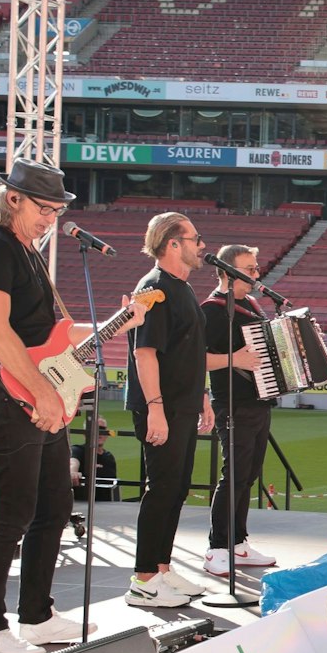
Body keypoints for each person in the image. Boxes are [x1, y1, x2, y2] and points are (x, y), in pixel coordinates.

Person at [0, 159, 140, 653]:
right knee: (12, 510)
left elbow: (51, 338)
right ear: (12, 198)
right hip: (10, 393)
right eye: (45, 209)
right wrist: (40, 392)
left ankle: (36, 616)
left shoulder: (27, 251)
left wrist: (125, 319)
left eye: (58, 211)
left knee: (54, 506)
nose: (51, 220)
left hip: (41, 392)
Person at [125, 212, 213, 609]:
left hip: (183, 405)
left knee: (176, 489)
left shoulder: (183, 288)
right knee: (160, 489)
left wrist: (203, 398)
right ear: (173, 244)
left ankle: (162, 568)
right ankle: (143, 579)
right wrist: (155, 409)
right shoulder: (154, 288)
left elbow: (189, 354)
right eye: (195, 238)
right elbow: (144, 353)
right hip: (161, 407)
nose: (202, 245)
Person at [201, 244, 278, 578]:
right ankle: (217, 547)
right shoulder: (212, 310)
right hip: (231, 402)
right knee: (233, 475)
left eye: (256, 267)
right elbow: (197, 359)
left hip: (258, 400)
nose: (256, 273)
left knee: (248, 475)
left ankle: (238, 542)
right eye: (249, 268)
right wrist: (237, 360)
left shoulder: (251, 305)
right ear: (227, 271)